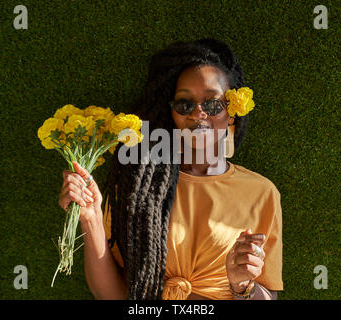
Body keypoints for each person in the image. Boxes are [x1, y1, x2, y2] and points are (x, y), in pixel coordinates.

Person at [58, 38, 283, 300]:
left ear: (232, 111)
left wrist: (243, 286)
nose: (198, 114)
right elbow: (113, 295)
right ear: (171, 114)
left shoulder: (261, 192)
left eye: (212, 104)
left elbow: (269, 296)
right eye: (184, 104)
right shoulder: (138, 186)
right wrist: (91, 218)